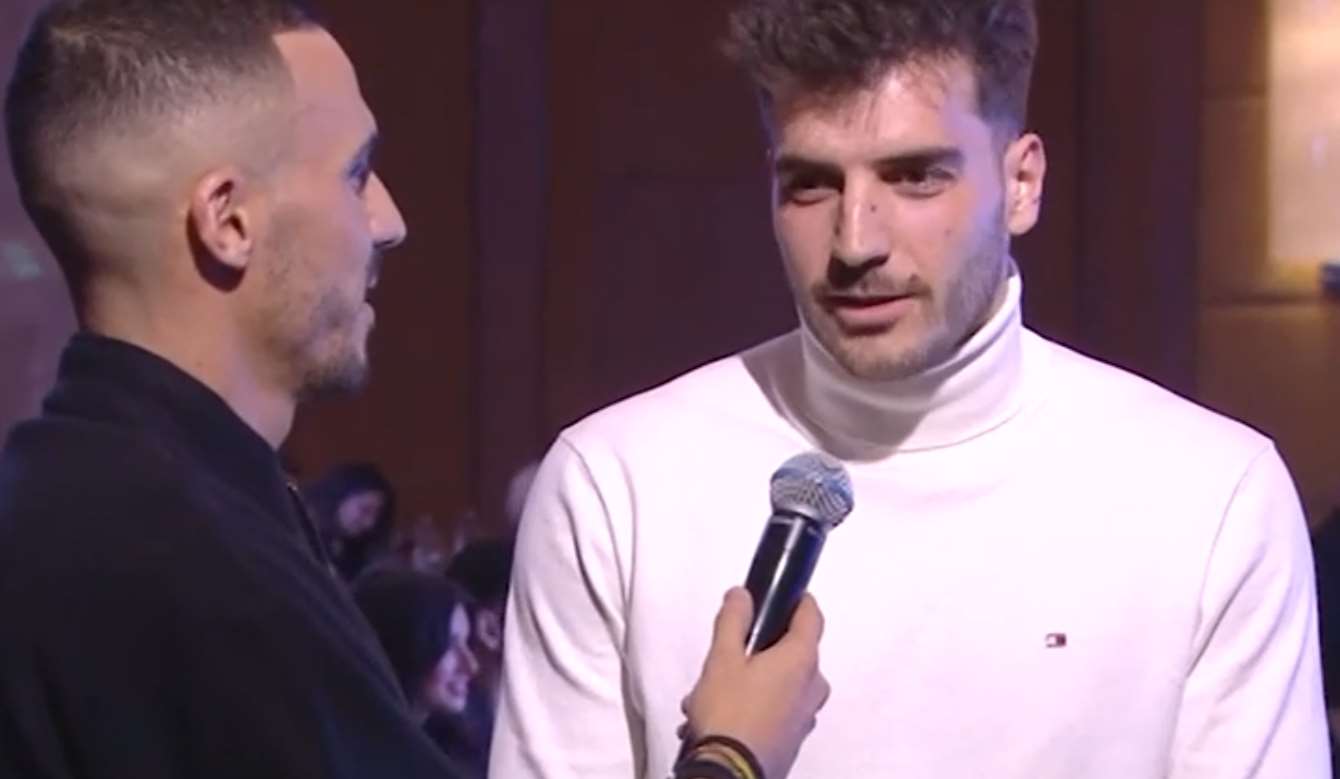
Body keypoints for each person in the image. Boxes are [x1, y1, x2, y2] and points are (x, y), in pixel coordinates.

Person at [491, 1, 1330, 777]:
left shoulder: (1213, 498)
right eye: (811, 183)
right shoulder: (614, 486)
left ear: (1022, 184)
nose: (855, 241)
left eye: (915, 176)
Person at [0, 2, 828, 778]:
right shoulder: (188, 570)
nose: (390, 219)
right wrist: (734, 749)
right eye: (356, 172)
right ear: (228, 219)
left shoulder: (79, 500)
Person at [353, 570, 486, 776]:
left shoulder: (463, 751)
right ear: (406, 645)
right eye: (449, 644)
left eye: (466, 642)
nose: (471, 665)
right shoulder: (349, 756)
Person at [302, 461, 397, 581]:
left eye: (377, 515)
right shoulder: (301, 533)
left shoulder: (357, 548)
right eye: (365, 510)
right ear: (339, 498)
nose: (370, 524)